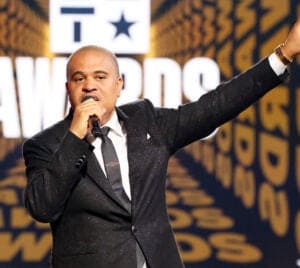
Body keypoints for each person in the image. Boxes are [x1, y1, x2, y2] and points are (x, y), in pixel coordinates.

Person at [23, 19, 300, 268]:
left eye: (100, 76)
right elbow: (42, 207)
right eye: (79, 78)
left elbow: (214, 107)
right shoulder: (46, 145)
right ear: (68, 88)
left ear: (119, 85)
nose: (89, 86)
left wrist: (283, 54)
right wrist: (74, 138)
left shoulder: (146, 121)